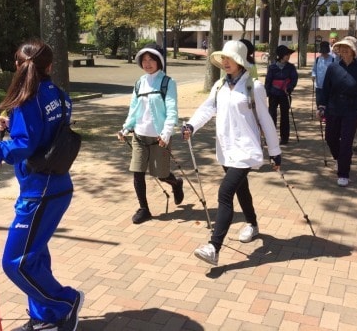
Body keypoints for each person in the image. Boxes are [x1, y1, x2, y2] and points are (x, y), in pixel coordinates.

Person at [0, 39, 84, 331]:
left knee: (16, 262)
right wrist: (12, 125)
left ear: (17, 64)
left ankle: (65, 303)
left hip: (42, 192)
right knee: (34, 256)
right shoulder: (60, 95)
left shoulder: (28, 100)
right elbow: (42, 134)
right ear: (50, 66)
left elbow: (22, 148)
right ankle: (44, 318)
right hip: (54, 186)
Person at [181, 40, 282, 266]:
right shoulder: (219, 86)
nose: (225, 62)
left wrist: (275, 152)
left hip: (246, 150)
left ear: (240, 61)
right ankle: (253, 224)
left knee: (225, 194)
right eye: (223, 58)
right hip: (226, 149)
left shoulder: (253, 86)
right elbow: (207, 109)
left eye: (230, 58)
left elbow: (266, 120)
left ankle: (213, 247)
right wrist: (191, 126)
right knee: (241, 189)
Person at [117, 43, 183, 224]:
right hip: (139, 135)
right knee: (137, 172)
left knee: (161, 174)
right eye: (144, 60)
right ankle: (144, 208)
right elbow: (133, 109)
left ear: (159, 61)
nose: (147, 63)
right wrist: (125, 128)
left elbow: (172, 110)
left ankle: (176, 183)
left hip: (159, 137)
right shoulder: (139, 83)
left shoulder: (168, 82)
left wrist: (167, 132)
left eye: (151, 59)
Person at [316, 36, 357, 187]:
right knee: (330, 138)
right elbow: (325, 90)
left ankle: (343, 173)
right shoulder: (333, 67)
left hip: (352, 109)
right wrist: (321, 106)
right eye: (341, 49)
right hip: (333, 108)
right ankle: (340, 159)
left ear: (353, 51)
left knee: (346, 142)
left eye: (347, 49)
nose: (344, 51)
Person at [264, 45, 298, 145]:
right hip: (273, 94)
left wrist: (290, 87)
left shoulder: (291, 67)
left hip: (285, 94)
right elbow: (268, 81)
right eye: (287, 54)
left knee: (285, 116)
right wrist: (268, 92)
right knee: (271, 116)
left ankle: (284, 137)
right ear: (281, 55)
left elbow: (294, 79)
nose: (288, 56)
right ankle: (270, 137)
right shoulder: (272, 67)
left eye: (289, 55)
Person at [312, 41, 335, 109]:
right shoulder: (317, 59)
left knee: (328, 102)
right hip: (319, 85)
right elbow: (314, 69)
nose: (324, 54)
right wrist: (313, 75)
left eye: (325, 52)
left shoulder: (333, 59)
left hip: (329, 86)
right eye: (322, 52)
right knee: (319, 102)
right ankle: (320, 115)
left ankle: (327, 116)